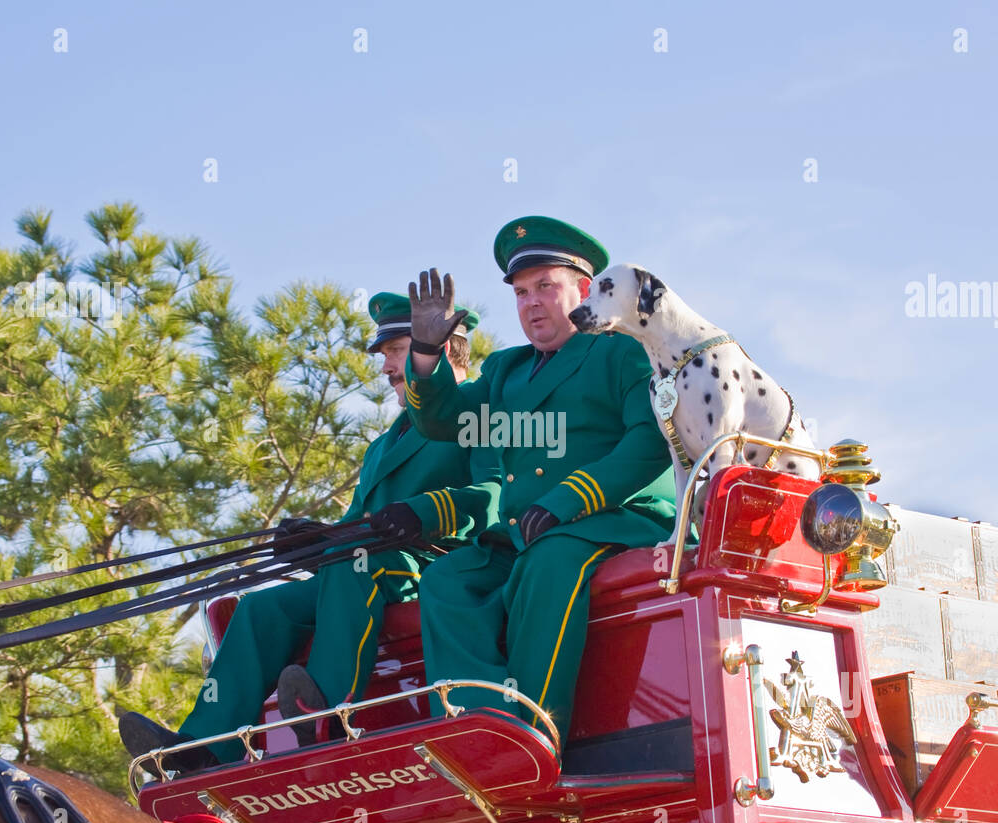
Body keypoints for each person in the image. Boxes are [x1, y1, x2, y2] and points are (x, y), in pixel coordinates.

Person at [119, 294, 498, 771]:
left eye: (396, 351)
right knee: (261, 606)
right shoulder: (383, 445)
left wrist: (425, 511)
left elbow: (498, 493)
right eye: (384, 356)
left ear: (437, 349)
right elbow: (359, 523)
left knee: (349, 567)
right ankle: (203, 748)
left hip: (438, 567)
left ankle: (326, 716)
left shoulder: (476, 413)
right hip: (365, 565)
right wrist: (316, 541)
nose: (385, 368)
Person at [403, 216, 677, 743]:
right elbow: (442, 421)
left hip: (611, 520)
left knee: (548, 563)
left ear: (584, 289)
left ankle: (535, 732)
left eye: (546, 287)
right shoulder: (507, 369)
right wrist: (426, 353)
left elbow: (650, 442)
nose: (532, 303)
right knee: (448, 579)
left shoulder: (623, 351)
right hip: (529, 529)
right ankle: (482, 729)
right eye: (522, 292)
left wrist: (566, 501)